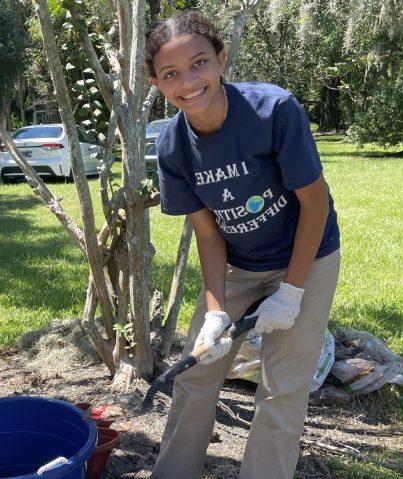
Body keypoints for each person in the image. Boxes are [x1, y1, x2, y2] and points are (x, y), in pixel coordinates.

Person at [145, 10, 341, 479]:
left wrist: (291, 292)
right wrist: (216, 311)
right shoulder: (172, 147)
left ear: (221, 60)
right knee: (196, 372)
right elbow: (208, 233)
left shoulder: (273, 111)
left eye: (199, 64)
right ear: (156, 84)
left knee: (282, 386)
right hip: (238, 263)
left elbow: (315, 206)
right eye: (171, 74)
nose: (188, 82)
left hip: (307, 255)